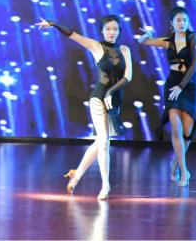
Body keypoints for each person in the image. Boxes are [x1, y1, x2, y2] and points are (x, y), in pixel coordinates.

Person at [37, 15, 132, 200]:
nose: (112, 32)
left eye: (115, 29)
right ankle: (105, 186)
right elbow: (73, 35)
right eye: (108, 29)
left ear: (119, 31)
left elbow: (128, 76)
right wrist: (54, 24)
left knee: (100, 142)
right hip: (98, 98)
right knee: (104, 142)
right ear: (102, 31)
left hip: (113, 99)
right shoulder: (96, 46)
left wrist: (111, 92)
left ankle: (77, 174)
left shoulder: (124, 50)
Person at [138, 6, 196, 187]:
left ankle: (175, 164)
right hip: (173, 84)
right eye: (178, 20)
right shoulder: (167, 41)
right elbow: (144, 42)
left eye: (185, 20)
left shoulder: (192, 38)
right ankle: (184, 172)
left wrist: (182, 86)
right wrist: (146, 34)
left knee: (187, 131)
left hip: (189, 85)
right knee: (176, 127)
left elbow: (195, 65)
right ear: (172, 23)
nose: (182, 23)